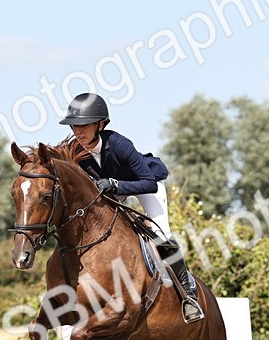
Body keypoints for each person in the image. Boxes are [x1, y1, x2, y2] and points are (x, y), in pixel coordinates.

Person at [58, 92, 204, 323]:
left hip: (144, 184)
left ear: (100, 124)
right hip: (111, 188)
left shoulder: (120, 145)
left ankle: (188, 295)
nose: (78, 131)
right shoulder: (77, 150)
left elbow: (149, 183)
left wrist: (116, 184)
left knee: (161, 233)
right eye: (74, 126)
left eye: (83, 125)